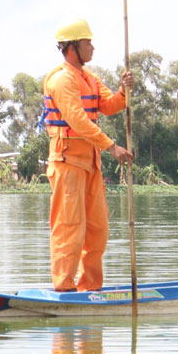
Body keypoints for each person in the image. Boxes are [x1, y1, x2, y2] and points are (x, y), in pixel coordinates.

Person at [39, 18, 135, 292]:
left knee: (97, 229)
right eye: (87, 43)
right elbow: (78, 121)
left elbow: (108, 105)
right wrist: (112, 146)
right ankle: (65, 287)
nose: (92, 48)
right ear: (71, 47)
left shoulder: (89, 79)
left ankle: (90, 288)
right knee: (70, 227)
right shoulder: (61, 79)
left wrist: (123, 90)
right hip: (67, 162)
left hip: (90, 163)